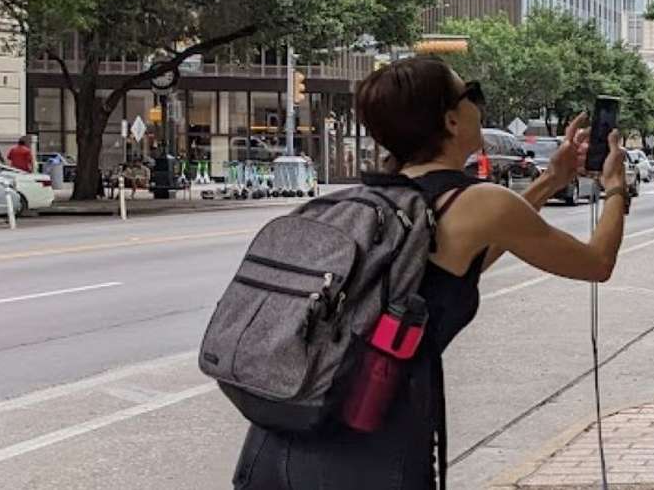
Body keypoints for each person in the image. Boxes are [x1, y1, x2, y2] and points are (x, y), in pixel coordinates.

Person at [232, 56, 632, 489]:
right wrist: (614, 184)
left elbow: (460, 265)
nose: (479, 104)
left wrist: (552, 180)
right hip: (370, 457)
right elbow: (597, 262)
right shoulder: (481, 204)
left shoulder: (369, 203)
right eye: (472, 94)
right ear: (451, 121)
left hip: (278, 447)